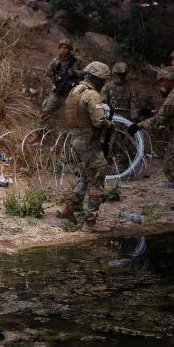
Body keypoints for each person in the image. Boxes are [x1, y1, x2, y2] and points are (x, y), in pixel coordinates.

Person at [127, 67, 174, 212]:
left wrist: (137, 126)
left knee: (170, 167)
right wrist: (150, 112)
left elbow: (159, 120)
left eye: (162, 80)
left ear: (170, 80)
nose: (161, 84)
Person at [57, 62, 114, 233]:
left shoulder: (75, 91)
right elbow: (99, 122)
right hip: (89, 143)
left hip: (76, 141)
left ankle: (68, 208)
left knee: (86, 178)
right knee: (97, 179)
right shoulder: (91, 95)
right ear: (97, 79)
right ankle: (90, 223)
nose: (103, 83)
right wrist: (110, 123)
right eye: (102, 80)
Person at [39, 38, 86, 123]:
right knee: (47, 109)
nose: (63, 50)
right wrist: (53, 85)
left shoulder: (77, 61)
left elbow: (86, 74)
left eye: (66, 48)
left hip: (71, 92)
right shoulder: (55, 61)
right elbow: (47, 75)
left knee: (70, 116)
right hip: (57, 90)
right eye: (61, 47)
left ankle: (65, 134)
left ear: (70, 49)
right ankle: (40, 131)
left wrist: (75, 73)